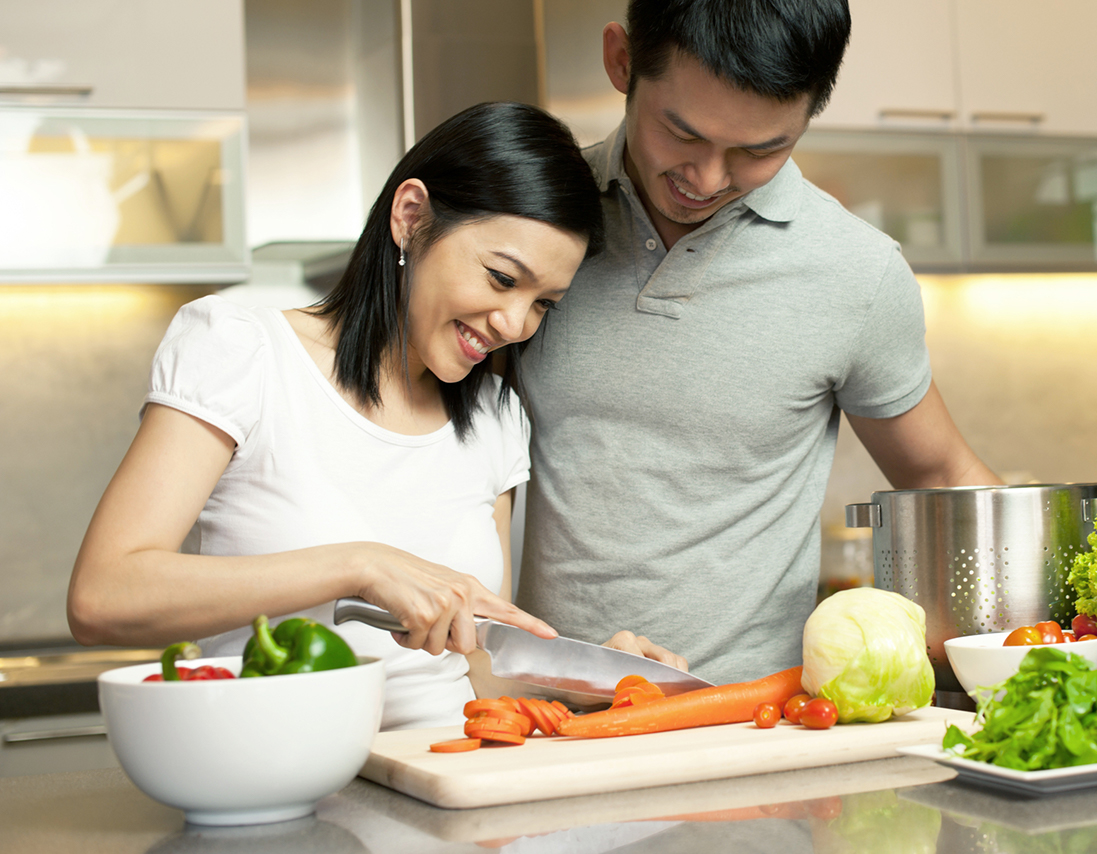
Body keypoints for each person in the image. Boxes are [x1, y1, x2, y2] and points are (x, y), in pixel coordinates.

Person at [68, 102, 680, 730]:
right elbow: (102, 596)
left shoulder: (495, 419)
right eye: (502, 278)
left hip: (443, 775)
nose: (514, 324)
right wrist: (359, 565)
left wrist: (593, 677)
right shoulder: (243, 352)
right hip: (275, 766)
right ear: (411, 217)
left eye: (544, 303)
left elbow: (474, 665)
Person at [515, 0, 1000, 686]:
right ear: (621, 60)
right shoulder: (530, 229)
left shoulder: (857, 273)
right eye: (681, 134)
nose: (707, 179)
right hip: (533, 715)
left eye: (761, 149)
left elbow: (940, 473)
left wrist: (1072, 622)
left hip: (755, 721)